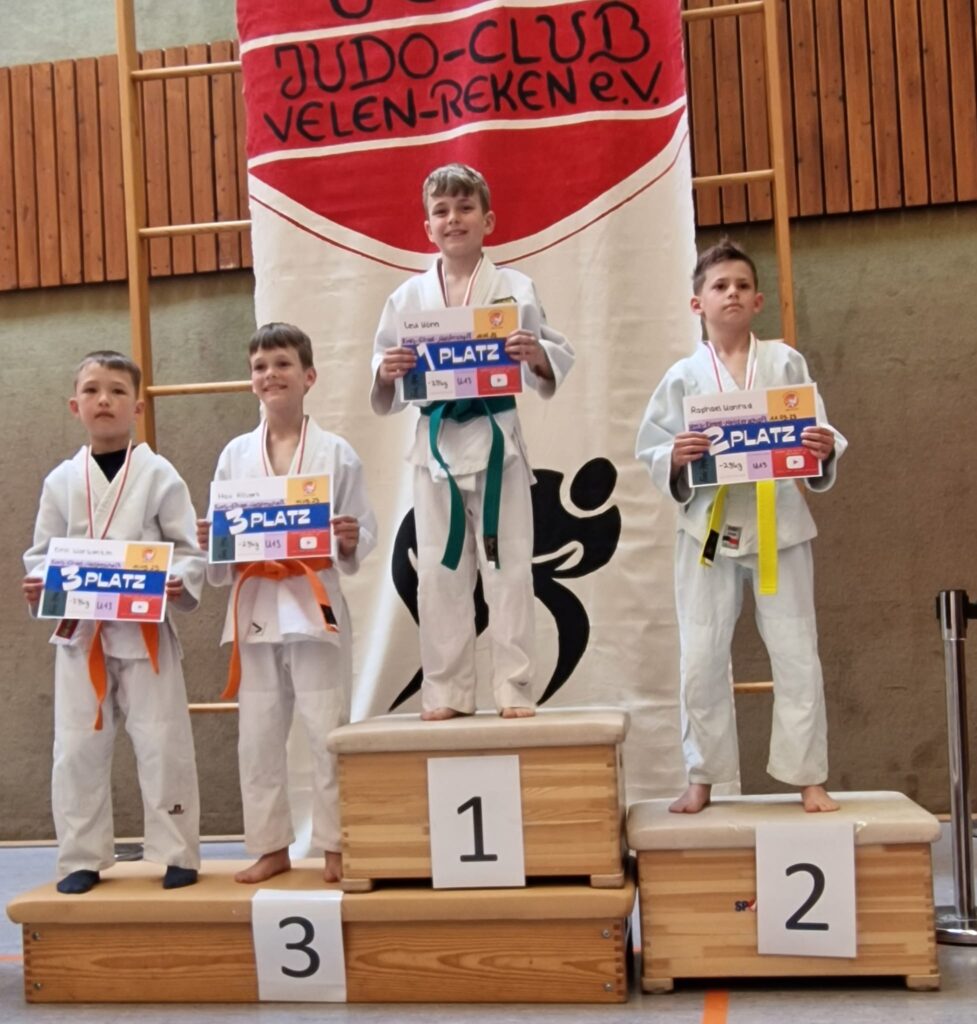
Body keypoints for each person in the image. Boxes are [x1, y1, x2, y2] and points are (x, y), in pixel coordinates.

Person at [635, 239, 847, 814]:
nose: (731, 293)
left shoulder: (784, 362)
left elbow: (818, 431)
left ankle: (809, 777)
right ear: (697, 303)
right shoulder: (683, 376)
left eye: (742, 286)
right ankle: (702, 777)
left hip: (780, 524)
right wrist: (675, 457)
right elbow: (652, 447)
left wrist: (822, 447)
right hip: (706, 529)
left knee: (797, 651)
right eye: (719, 286)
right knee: (701, 656)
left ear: (758, 301)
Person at [371, 163, 574, 721]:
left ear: (488, 221)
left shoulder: (514, 288)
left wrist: (536, 355)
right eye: (441, 211)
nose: (453, 219)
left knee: (510, 568)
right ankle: (447, 691)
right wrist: (386, 369)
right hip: (434, 446)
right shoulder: (408, 297)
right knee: (439, 573)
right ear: (427, 227)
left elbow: (553, 354)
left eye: (465, 208)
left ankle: (514, 687)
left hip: (496, 440)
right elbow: (384, 365)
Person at [201, 323, 376, 884]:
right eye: (259, 366)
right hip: (256, 606)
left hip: (313, 606)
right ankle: (270, 846)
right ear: (250, 380)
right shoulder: (235, 455)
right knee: (257, 737)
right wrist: (213, 541)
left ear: (309, 376)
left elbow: (362, 529)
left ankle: (335, 845)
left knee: (327, 730)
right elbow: (221, 551)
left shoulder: (336, 453)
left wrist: (349, 537)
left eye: (281, 364)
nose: (270, 374)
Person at [22, 351, 203, 894]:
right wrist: (40, 586)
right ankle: (81, 856)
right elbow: (42, 555)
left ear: (138, 407)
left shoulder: (159, 473)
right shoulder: (60, 481)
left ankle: (177, 851)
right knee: (77, 748)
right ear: (74, 405)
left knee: (164, 740)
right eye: (93, 390)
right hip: (82, 637)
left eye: (118, 391)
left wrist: (179, 580)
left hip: (147, 634)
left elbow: (187, 548)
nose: (105, 400)